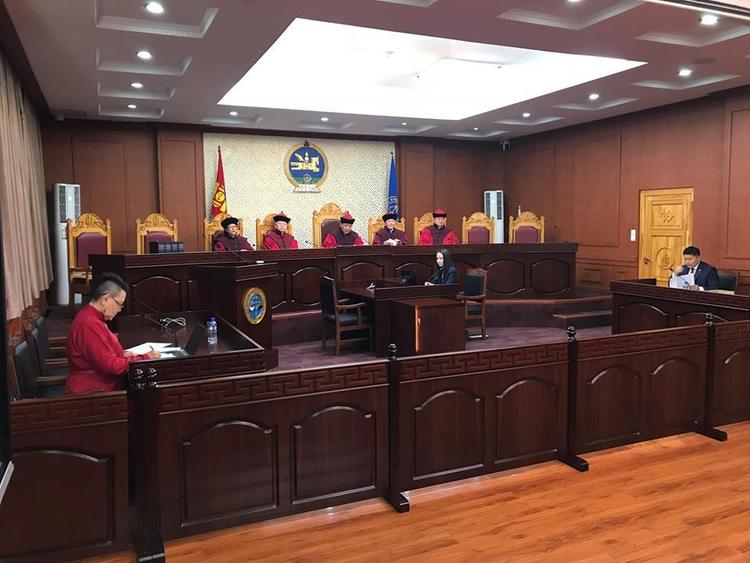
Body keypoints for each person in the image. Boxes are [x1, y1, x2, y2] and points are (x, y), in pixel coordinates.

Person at [65, 273, 160, 394]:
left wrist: (124, 355)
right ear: (106, 299)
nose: (119, 310)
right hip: (93, 392)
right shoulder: (89, 324)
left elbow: (104, 354)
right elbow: (112, 366)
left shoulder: (92, 317)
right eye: (119, 304)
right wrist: (146, 358)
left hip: (99, 385)